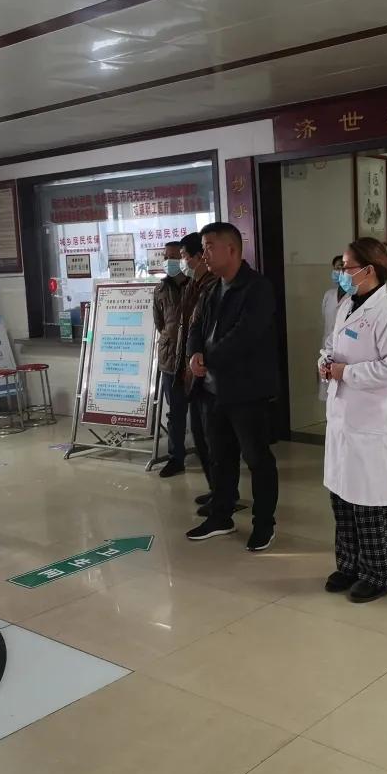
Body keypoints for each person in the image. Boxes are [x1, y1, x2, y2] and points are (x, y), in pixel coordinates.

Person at [320, 239, 387, 602]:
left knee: (370, 501)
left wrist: (345, 372)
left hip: (372, 420)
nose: (342, 273)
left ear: (369, 270)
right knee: (343, 496)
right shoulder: (347, 304)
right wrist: (326, 362)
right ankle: (349, 565)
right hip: (343, 417)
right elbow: (332, 346)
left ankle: (380, 573)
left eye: (347, 267)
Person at [185, 222, 279, 551]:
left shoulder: (257, 288)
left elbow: (246, 334)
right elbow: (195, 326)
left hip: (246, 390)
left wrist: (208, 358)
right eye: (203, 248)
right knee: (220, 457)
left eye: (209, 247)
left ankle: (264, 524)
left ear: (233, 249)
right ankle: (221, 516)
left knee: (257, 459)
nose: (204, 254)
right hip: (212, 390)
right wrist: (194, 354)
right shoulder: (212, 288)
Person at [176, 232, 229, 514]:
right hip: (193, 370)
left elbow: (215, 330)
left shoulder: (213, 285)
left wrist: (202, 356)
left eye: (184, 257)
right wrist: (190, 355)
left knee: (214, 440)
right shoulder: (193, 285)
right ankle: (216, 490)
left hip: (211, 375)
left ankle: (223, 494)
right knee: (200, 434)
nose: (181, 262)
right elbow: (190, 327)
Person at [152, 240, 190, 478]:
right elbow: (160, 323)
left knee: (203, 413)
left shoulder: (197, 284)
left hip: (194, 359)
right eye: (166, 257)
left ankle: (211, 455)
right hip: (169, 359)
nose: (169, 261)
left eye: (174, 257)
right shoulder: (160, 289)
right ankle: (176, 458)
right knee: (175, 413)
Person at [318, 255, 346, 402]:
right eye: (336, 268)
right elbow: (325, 320)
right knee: (328, 394)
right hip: (327, 348)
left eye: (342, 266)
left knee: (342, 394)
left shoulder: (354, 296)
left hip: (345, 350)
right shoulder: (328, 295)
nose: (338, 270)